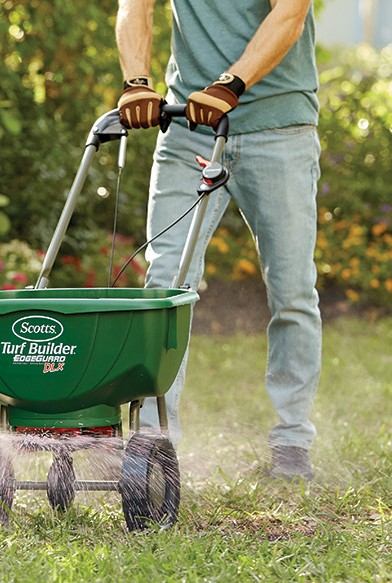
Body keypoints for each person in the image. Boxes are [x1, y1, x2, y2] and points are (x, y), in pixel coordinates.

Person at [115, 0, 321, 480]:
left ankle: (291, 440)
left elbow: (289, 14)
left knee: (292, 290)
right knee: (166, 285)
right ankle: (154, 446)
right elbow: (135, 6)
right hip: (190, 127)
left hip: (280, 127)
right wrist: (136, 81)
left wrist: (232, 83)